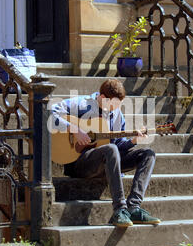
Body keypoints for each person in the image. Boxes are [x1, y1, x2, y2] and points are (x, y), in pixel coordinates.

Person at [51, 79, 161, 227]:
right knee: (111, 149)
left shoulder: (116, 115)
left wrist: (133, 141)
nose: (116, 108)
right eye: (113, 104)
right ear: (102, 98)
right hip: (78, 163)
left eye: (119, 105)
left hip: (106, 160)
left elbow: (118, 145)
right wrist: (74, 129)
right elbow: (50, 115)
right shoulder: (82, 104)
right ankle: (119, 210)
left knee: (148, 154)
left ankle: (134, 207)